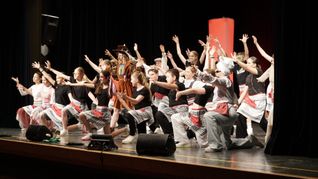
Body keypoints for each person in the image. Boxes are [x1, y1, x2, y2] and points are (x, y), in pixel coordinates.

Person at [116, 70, 154, 144]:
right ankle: (143, 141)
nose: (131, 81)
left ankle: (132, 134)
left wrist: (126, 97)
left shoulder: (144, 89)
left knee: (130, 114)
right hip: (139, 111)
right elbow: (134, 103)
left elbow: (136, 101)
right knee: (142, 135)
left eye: (132, 79)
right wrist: (121, 99)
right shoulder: (135, 89)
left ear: (137, 80)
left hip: (145, 111)